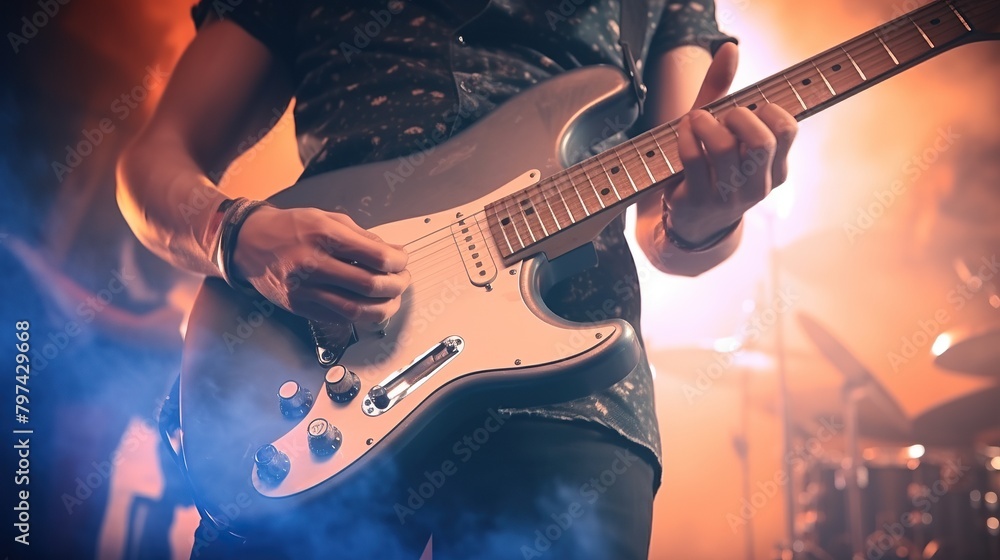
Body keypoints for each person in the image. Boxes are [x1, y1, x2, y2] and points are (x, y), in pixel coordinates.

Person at [116, 1, 797, 558]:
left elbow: (666, 231)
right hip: (314, 356)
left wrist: (709, 211)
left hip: (571, 393)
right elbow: (155, 162)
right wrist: (234, 235)